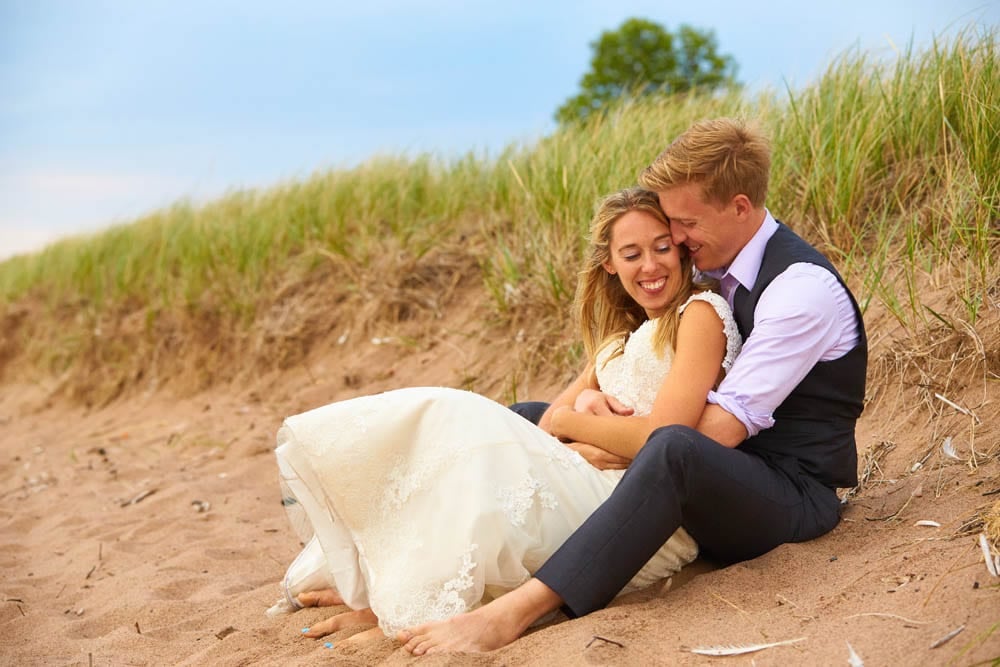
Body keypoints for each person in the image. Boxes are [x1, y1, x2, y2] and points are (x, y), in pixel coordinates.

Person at [397, 117, 868, 655]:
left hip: (790, 495)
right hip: (728, 477)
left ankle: (518, 610)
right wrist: (592, 415)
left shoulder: (799, 291)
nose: (680, 241)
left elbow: (710, 436)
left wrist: (597, 441)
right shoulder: (724, 270)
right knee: (526, 415)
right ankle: (424, 575)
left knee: (672, 449)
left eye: (685, 223)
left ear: (740, 207)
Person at [267, 187, 742, 642]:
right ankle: (389, 600)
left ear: (681, 251)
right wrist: (583, 417)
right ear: (610, 265)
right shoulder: (619, 341)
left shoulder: (699, 314)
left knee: (464, 417)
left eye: (662, 247)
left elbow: (662, 435)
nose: (651, 265)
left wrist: (576, 422)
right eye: (632, 253)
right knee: (470, 447)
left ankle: (403, 609)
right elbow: (545, 420)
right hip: (591, 480)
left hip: (643, 510)